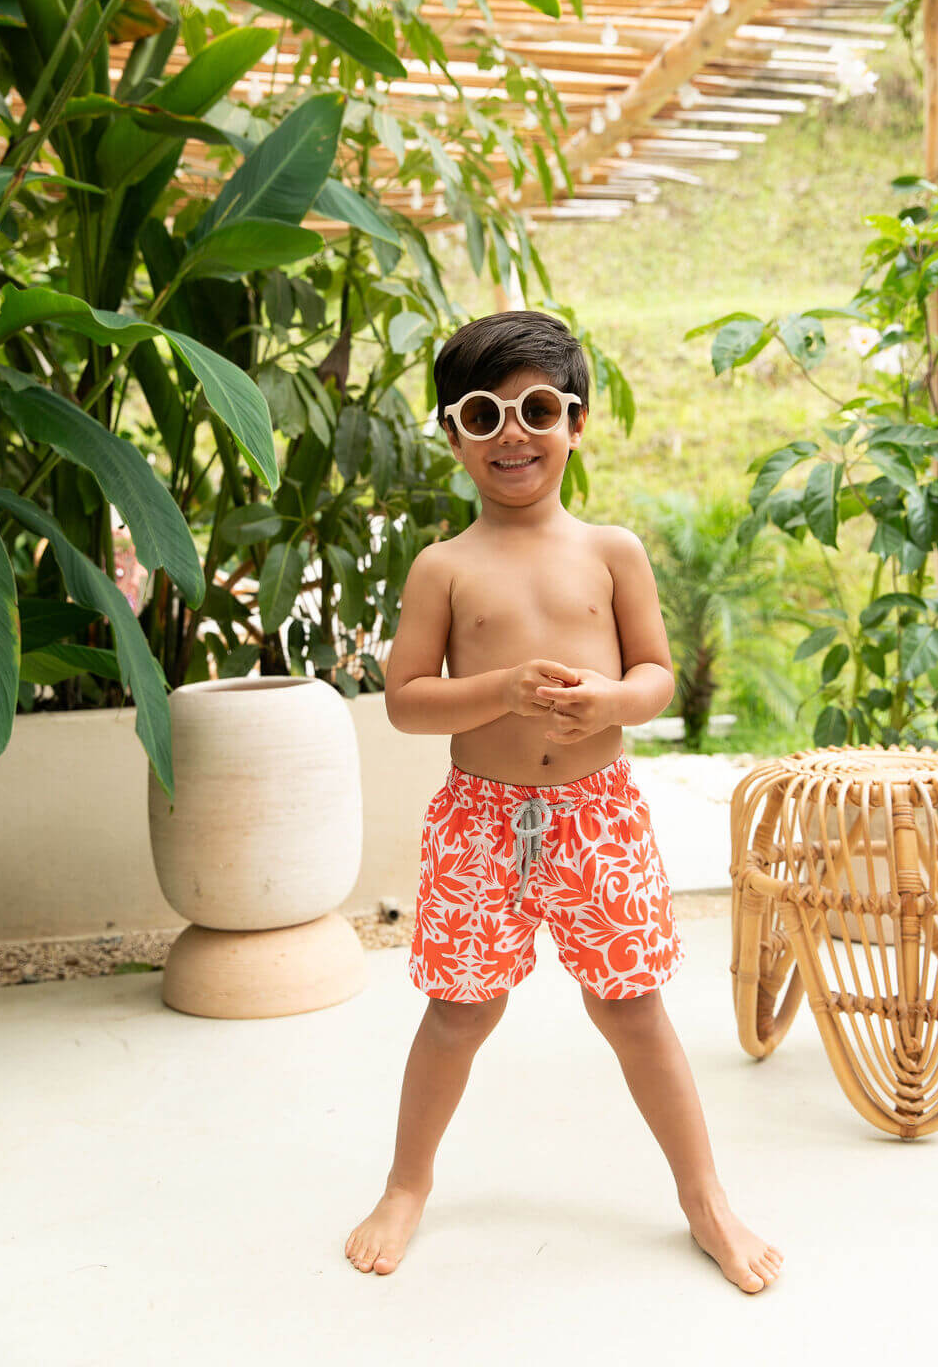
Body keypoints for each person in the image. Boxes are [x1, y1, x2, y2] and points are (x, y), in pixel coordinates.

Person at [344, 311, 783, 1292]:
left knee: (632, 1009)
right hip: (480, 824)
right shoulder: (444, 568)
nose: (513, 432)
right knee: (458, 1012)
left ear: (575, 422)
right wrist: (497, 691)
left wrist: (613, 704)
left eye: (536, 407)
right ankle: (407, 1183)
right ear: (452, 435)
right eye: (483, 413)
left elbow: (657, 675)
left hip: (599, 818)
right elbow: (408, 703)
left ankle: (704, 1195)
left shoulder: (611, 551)